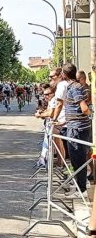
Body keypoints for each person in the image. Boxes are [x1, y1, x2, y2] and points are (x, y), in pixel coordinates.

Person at [56, 64, 92, 198]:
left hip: (77, 129)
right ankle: (79, 185)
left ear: (64, 75)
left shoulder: (75, 88)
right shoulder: (76, 87)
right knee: (77, 159)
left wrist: (90, 114)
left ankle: (81, 189)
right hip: (75, 126)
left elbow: (83, 108)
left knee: (78, 160)